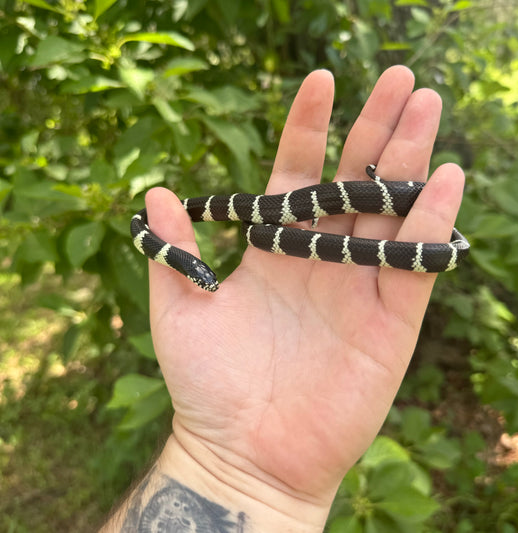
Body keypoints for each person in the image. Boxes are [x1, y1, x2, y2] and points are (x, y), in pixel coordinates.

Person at [101, 66, 465, 532]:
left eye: (207, 278)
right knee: (263, 227)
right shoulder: (156, 240)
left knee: (269, 226)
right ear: (179, 262)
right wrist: (226, 467)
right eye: (205, 279)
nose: (208, 283)